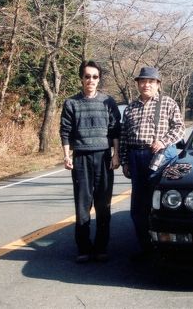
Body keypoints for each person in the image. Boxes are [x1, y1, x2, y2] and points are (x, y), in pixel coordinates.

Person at [120, 66, 185, 261]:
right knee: (138, 206)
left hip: (162, 157)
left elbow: (180, 128)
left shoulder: (168, 103)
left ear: (158, 84)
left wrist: (163, 141)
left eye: (150, 81)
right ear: (138, 84)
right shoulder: (130, 108)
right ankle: (146, 248)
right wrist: (124, 160)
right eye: (142, 81)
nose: (146, 84)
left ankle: (167, 248)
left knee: (161, 203)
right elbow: (123, 136)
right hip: (135, 157)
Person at [60, 60, 121, 263]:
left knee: (103, 205)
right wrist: (67, 156)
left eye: (95, 77)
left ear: (99, 79)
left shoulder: (108, 102)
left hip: (104, 157)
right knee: (82, 205)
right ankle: (84, 248)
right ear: (81, 79)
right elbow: (65, 131)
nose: (91, 80)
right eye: (87, 76)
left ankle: (101, 247)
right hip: (81, 158)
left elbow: (115, 130)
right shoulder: (71, 103)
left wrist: (116, 154)